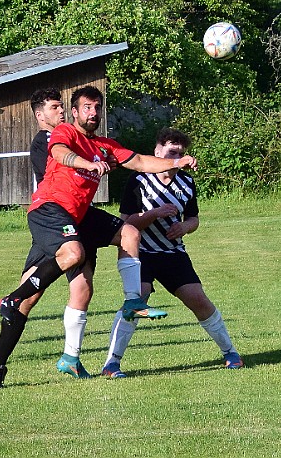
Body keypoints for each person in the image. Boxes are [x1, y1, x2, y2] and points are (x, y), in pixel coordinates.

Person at [0, 86, 197, 388]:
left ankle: (128, 305)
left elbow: (141, 162)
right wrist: (88, 164)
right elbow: (61, 153)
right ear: (74, 112)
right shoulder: (64, 133)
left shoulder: (104, 145)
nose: (93, 113)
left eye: (97, 107)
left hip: (79, 218)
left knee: (126, 236)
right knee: (35, 291)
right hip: (52, 213)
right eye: (86, 107)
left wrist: (176, 162)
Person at [101, 128, 242, 378]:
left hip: (173, 254)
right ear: (157, 152)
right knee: (136, 301)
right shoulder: (139, 180)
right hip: (140, 253)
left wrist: (185, 227)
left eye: (180, 153)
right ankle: (111, 364)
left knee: (198, 299)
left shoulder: (186, 183)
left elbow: (194, 218)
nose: (176, 157)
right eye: (171, 151)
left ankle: (230, 353)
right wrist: (154, 214)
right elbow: (126, 223)